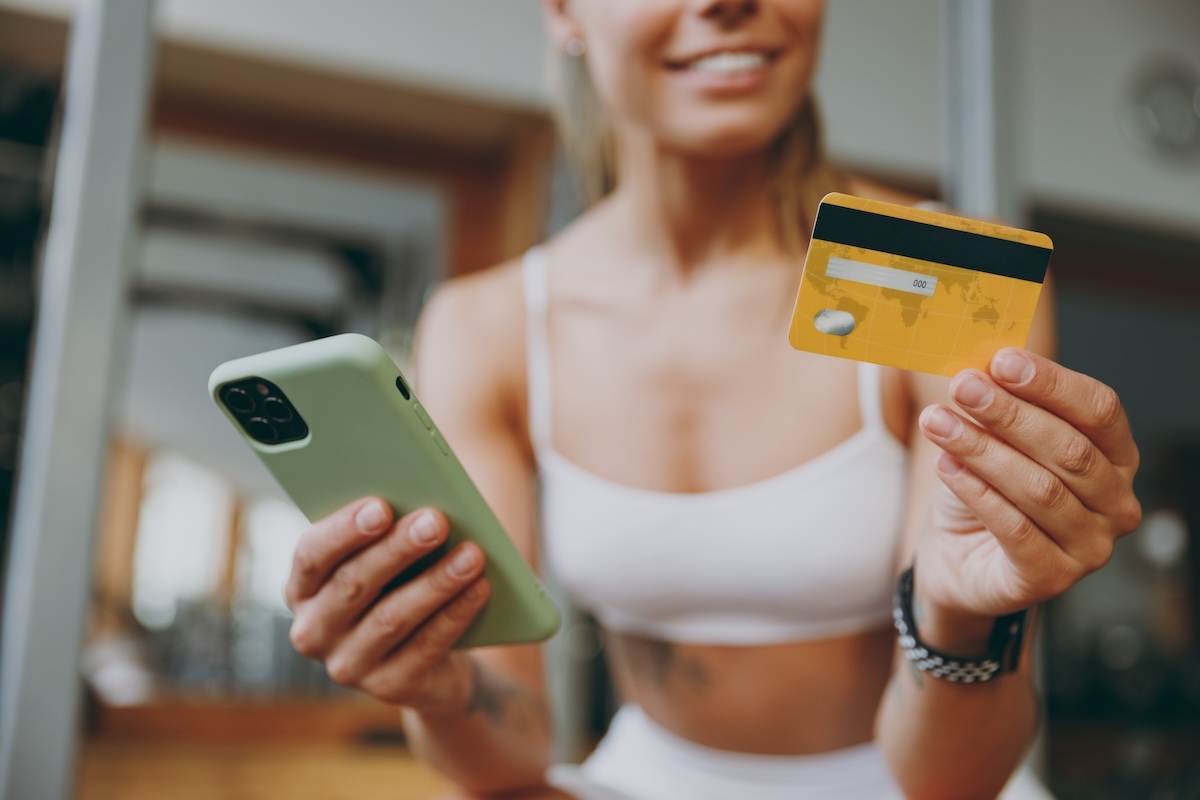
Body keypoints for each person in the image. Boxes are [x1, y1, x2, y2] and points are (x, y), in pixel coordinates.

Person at [281, 1, 1142, 797]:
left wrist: (957, 618)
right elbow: (512, 754)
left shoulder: (947, 281)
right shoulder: (487, 327)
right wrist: (435, 688)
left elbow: (943, 782)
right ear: (562, 10)